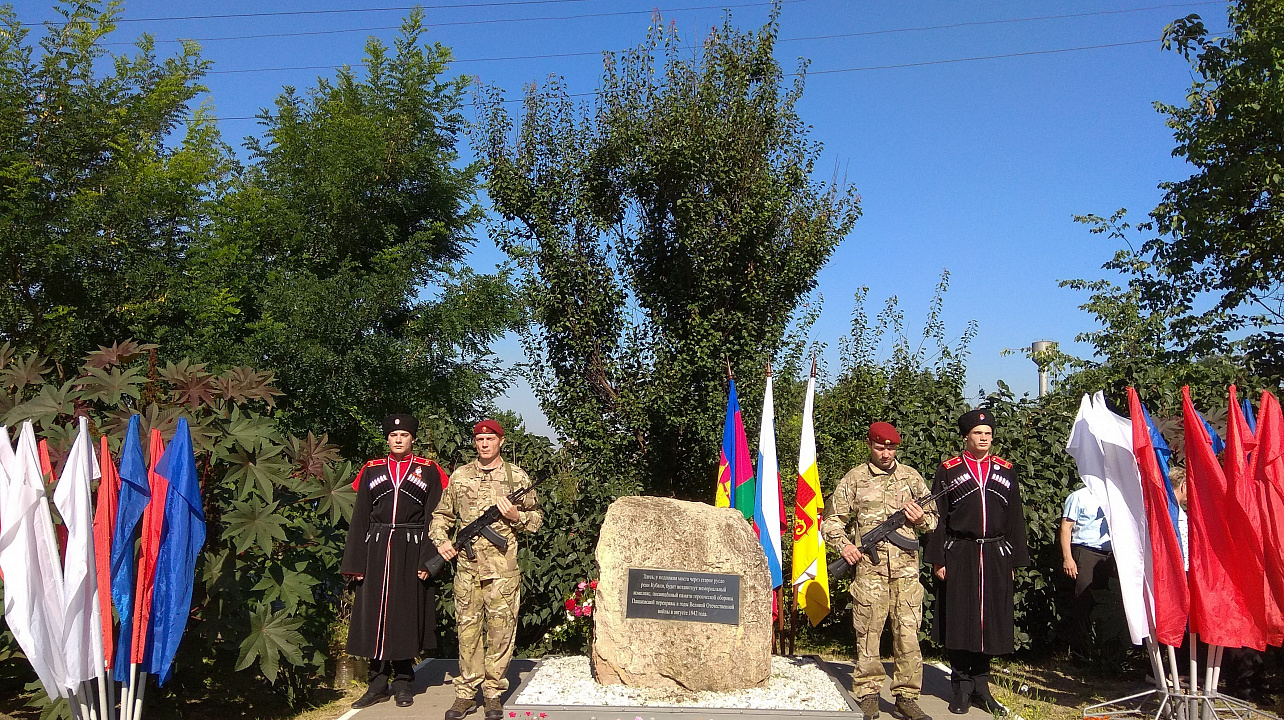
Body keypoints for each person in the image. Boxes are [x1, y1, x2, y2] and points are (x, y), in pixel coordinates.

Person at [822, 422, 938, 720]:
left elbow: (934, 522)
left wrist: (921, 517)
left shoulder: (911, 477)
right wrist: (844, 546)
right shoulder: (855, 479)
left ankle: (906, 697)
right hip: (869, 573)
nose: (886, 453)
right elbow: (831, 521)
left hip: (907, 574)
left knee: (908, 635)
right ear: (869, 445)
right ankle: (869, 694)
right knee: (868, 633)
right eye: (880, 447)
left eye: (891, 448)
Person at [431, 419, 543, 720]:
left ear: (501, 442)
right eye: (479, 439)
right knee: (467, 633)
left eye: (490, 439)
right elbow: (441, 515)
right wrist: (442, 541)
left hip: (502, 574)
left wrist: (517, 515)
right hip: (467, 571)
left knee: (500, 633)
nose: (484, 444)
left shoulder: (516, 477)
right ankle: (465, 694)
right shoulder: (460, 476)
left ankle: (493, 694)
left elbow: (537, 520)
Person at [341, 413, 449, 708]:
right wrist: (355, 563)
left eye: (403, 436)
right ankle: (376, 683)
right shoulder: (372, 470)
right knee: (375, 615)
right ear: (387, 439)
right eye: (393, 436)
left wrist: (429, 560)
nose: (398, 440)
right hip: (376, 549)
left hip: (411, 548)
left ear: (412, 439)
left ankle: (403, 682)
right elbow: (360, 517)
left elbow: (434, 518)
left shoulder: (428, 471)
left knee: (403, 615)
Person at [925, 408, 1029, 716]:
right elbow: (937, 517)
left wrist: (1013, 557)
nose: (984, 439)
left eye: (988, 435)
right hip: (961, 552)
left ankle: (982, 685)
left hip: (995, 554)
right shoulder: (949, 470)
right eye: (978, 434)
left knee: (991, 620)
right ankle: (961, 685)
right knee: (960, 618)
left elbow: (1015, 516)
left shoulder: (1006, 469)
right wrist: (937, 558)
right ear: (966, 437)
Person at [1059, 484, 1114, 659]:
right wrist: (1068, 558)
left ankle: (1104, 651)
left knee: (1108, 604)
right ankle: (1079, 653)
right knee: (1083, 600)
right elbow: (1065, 527)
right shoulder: (1078, 496)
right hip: (1086, 551)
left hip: (1111, 554)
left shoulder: (1113, 496)